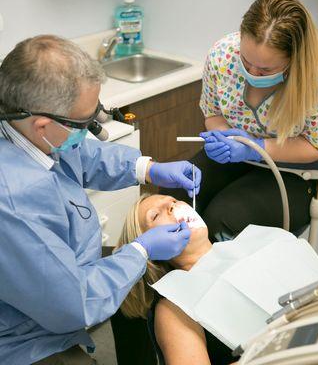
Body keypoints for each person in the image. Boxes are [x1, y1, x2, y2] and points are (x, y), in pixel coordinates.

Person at [0, 35, 202, 365]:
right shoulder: (12, 206)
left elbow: (82, 152)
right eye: (85, 123)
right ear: (42, 125)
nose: (94, 129)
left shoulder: (28, 128)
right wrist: (142, 250)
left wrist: (148, 169)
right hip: (24, 339)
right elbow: (72, 305)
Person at [162, 0, 318, 241]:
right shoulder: (223, 56)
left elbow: (317, 145)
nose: (251, 72)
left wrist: (255, 147)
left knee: (224, 219)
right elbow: (213, 112)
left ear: (294, 60)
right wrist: (222, 137)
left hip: (298, 173)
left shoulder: (317, 79)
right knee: (174, 199)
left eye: (265, 70)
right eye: (246, 61)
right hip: (238, 160)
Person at [116, 194, 237, 365]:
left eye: (173, 201)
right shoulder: (174, 308)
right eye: (155, 215)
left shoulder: (248, 245)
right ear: (152, 249)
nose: (172, 205)